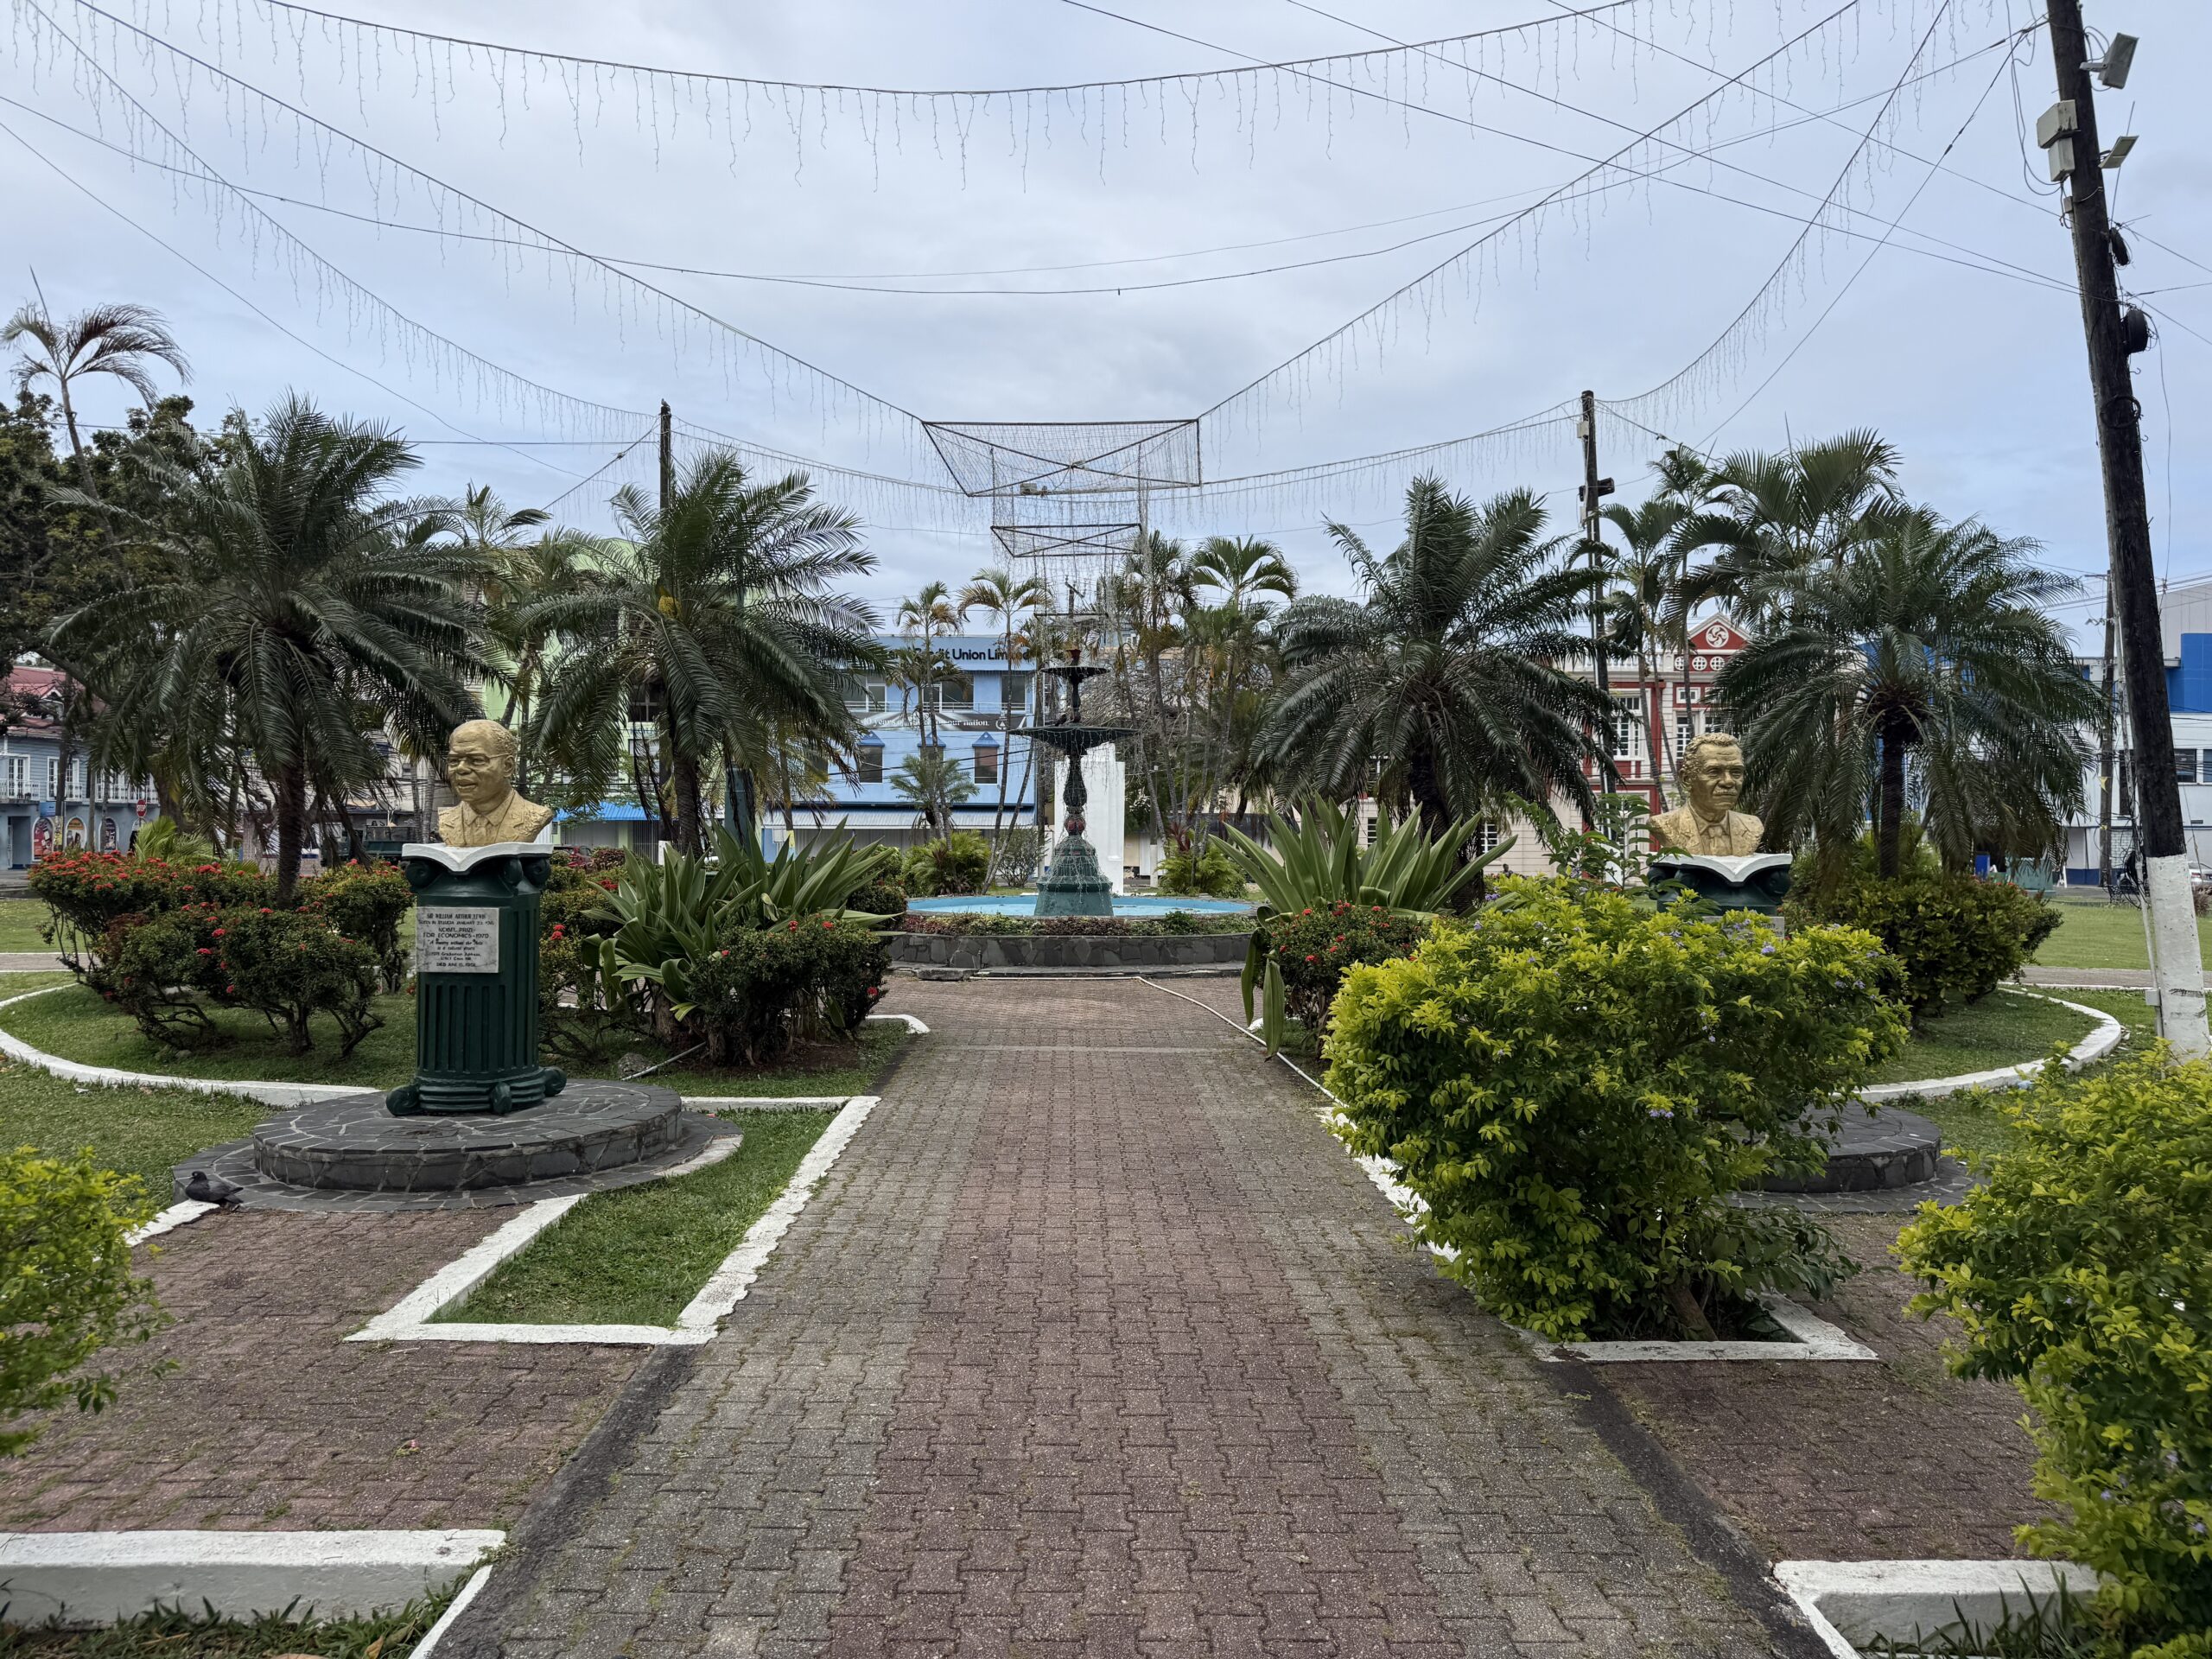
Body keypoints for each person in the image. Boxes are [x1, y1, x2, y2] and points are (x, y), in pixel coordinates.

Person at [435, 719, 555, 847]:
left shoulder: (534, 816)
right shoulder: (447, 820)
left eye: (476, 760)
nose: (461, 769)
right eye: (454, 761)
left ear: (507, 766)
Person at [1650, 733, 1765, 856]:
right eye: (1714, 772)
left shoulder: (1752, 825)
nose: (1728, 781)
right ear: (1687, 779)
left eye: (1736, 772)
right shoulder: (1667, 825)